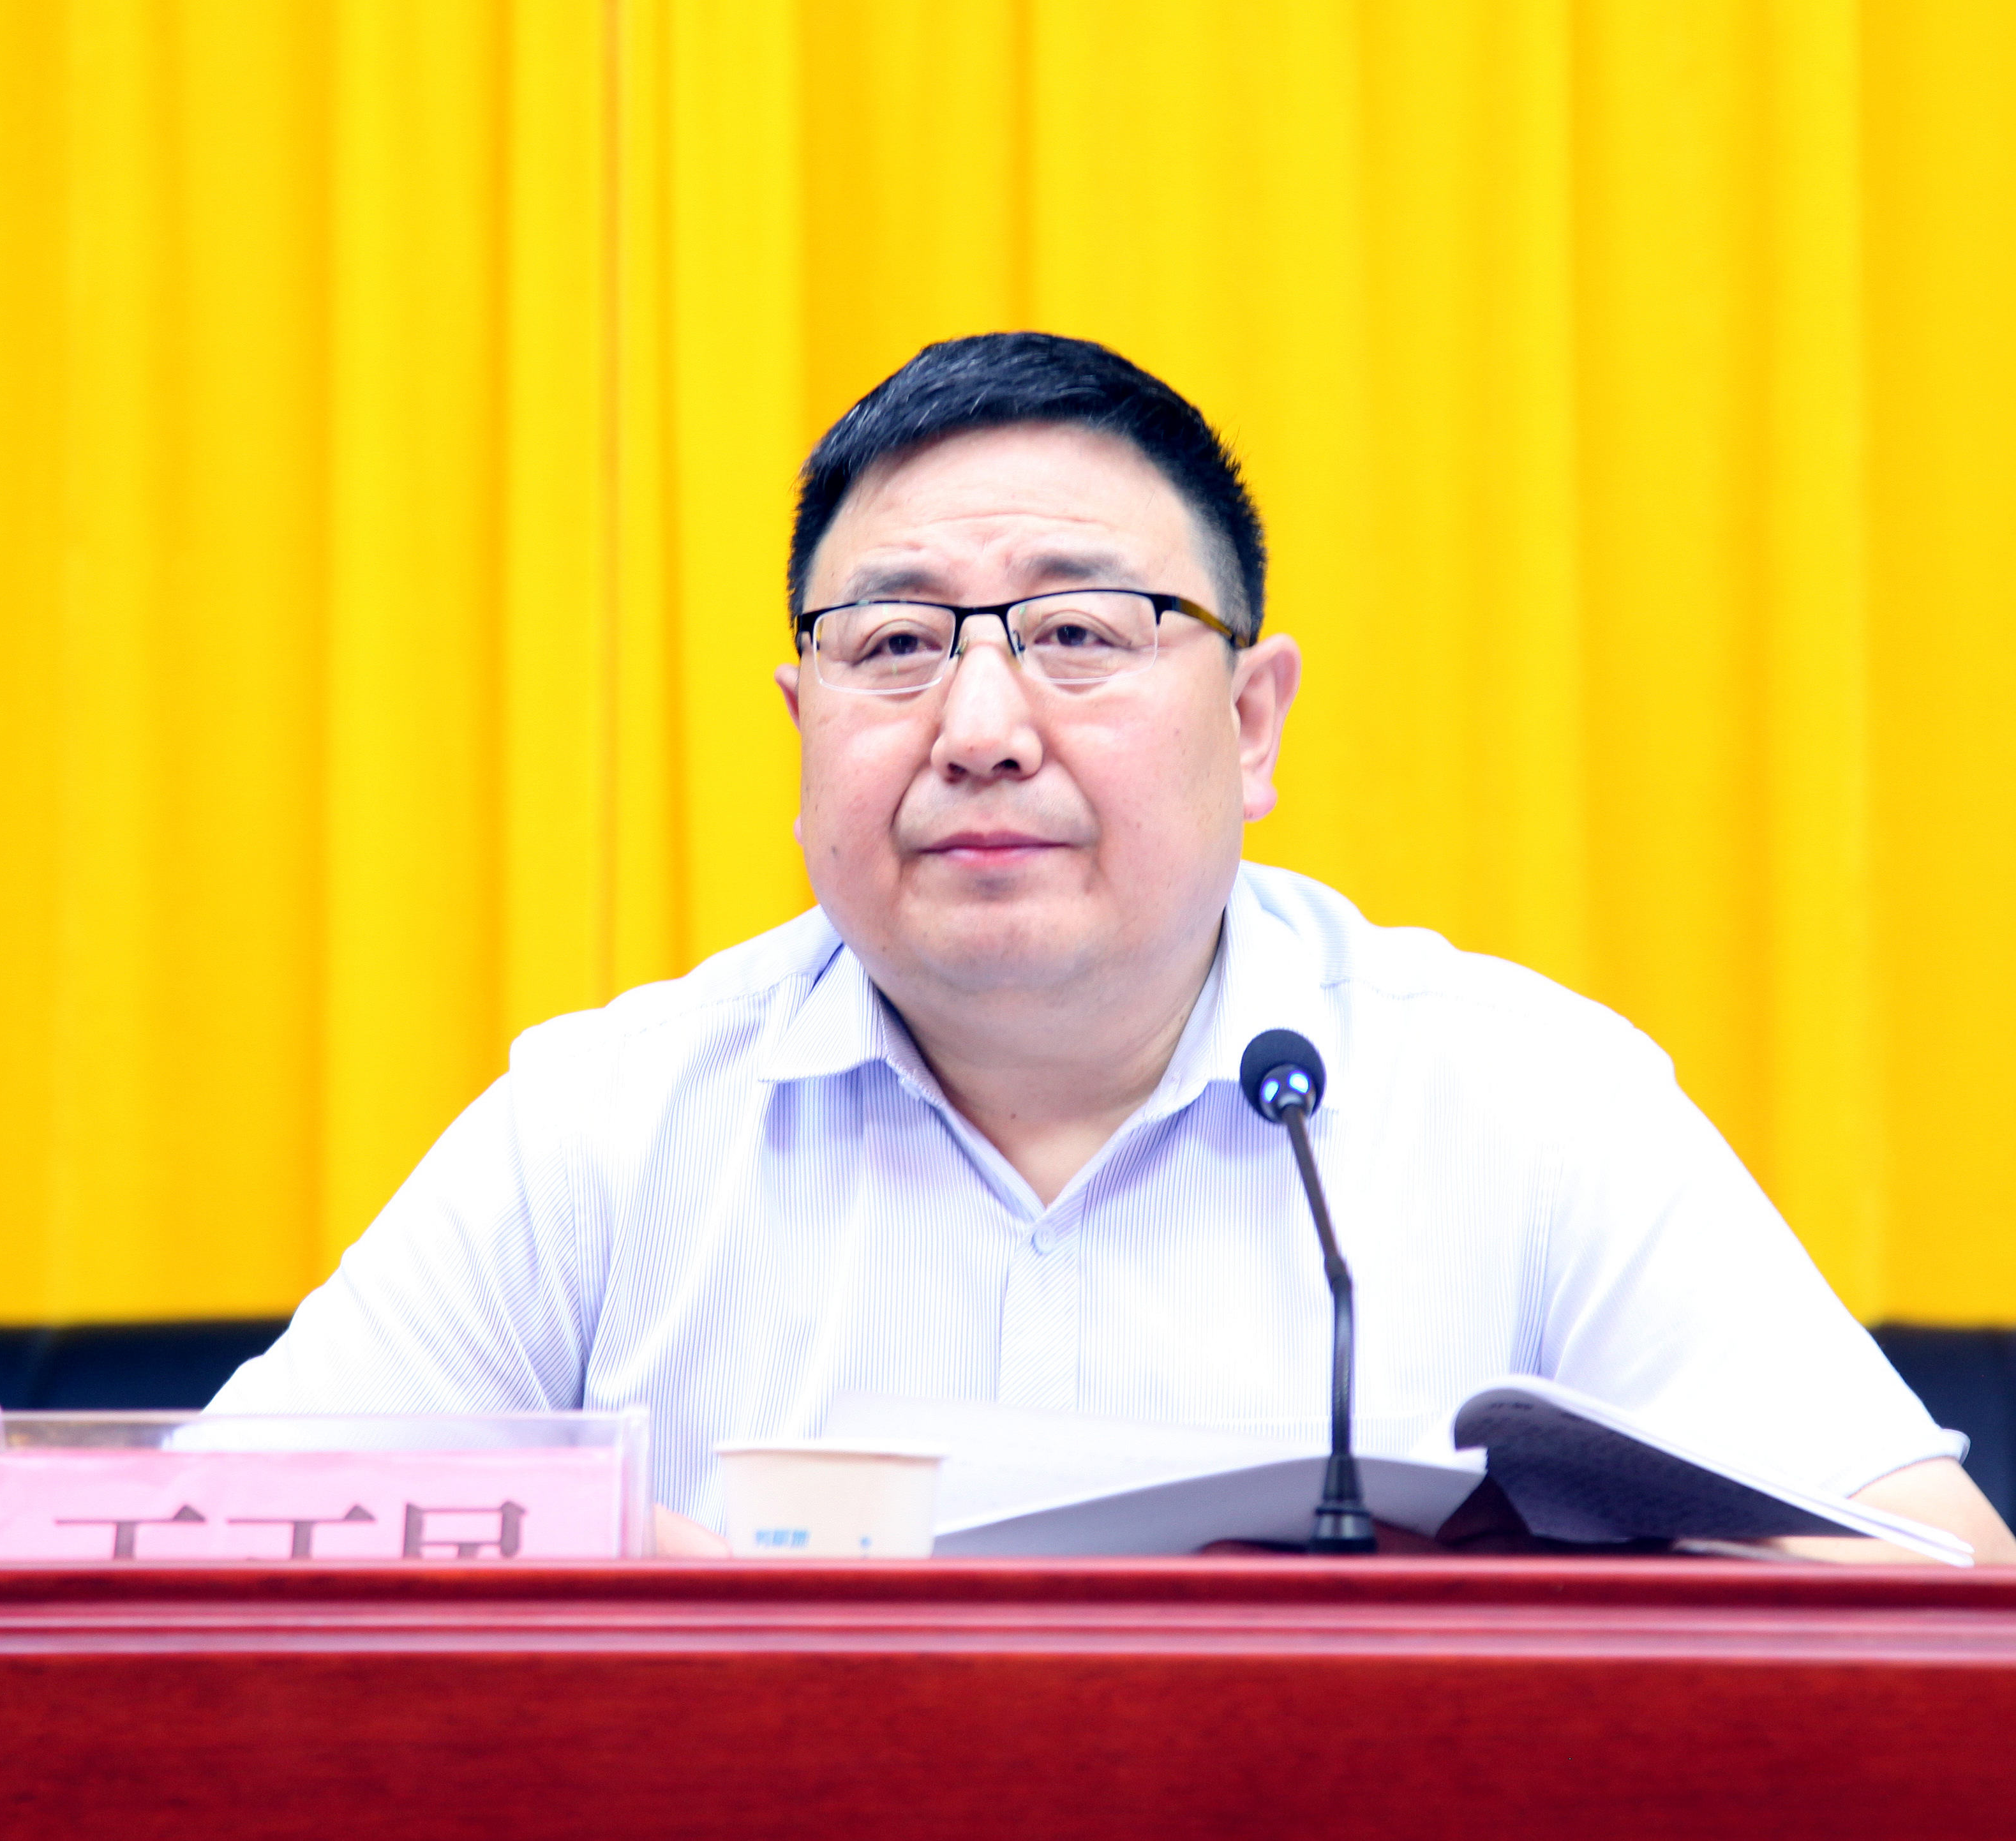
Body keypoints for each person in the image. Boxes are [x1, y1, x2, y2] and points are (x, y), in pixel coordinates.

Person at [211, 332, 2015, 1563]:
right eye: (894, 646)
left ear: (1250, 718)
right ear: (802, 721)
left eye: (1080, 632)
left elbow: (1930, 1591)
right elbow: (200, 1549)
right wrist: (620, 1576)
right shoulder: (608, 1125)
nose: (981, 726)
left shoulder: (1524, 1098)